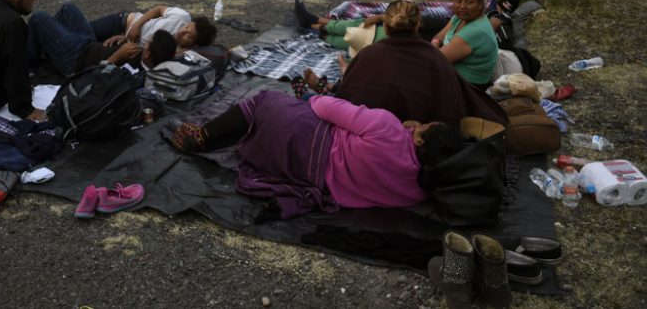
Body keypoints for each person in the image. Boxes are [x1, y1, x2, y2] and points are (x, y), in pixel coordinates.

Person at [169, 90, 465, 219]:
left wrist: (313, 97)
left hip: (306, 142)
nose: (419, 124)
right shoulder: (418, 190)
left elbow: (326, 108)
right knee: (276, 119)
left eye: (424, 127)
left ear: (422, 139)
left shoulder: (387, 126)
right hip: (305, 176)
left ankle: (203, 136)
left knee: (267, 101)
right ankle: (229, 136)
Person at [314, 0, 507, 127]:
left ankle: (319, 91)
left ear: (387, 27)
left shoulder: (368, 55)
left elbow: (349, 100)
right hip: (419, 143)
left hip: (368, 138)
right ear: (417, 26)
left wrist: (346, 75)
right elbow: (456, 102)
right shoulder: (436, 57)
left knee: (320, 103)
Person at [26, 1, 178, 78]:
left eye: (148, 45)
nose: (144, 45)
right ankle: (49, 51)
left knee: (39, 18)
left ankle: (30, 67)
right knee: (68, 8)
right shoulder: (141, 55)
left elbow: (96, 80)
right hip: (90, 44)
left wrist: (117, 57)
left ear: (148, 54)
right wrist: (122, 39)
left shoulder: (135, 75)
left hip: (76, 60)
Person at [431, 0, 499, 88]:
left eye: (469, 2)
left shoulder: (474, 31)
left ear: (481, 4)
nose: (462, 6)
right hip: (452, 75)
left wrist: (433, 46)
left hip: (467, 87)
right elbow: (438, 37)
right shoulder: (459, 18)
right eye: (458, 1)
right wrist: (435, 43)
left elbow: (436, 61)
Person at [95, 5, 217, 51]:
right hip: (123, 22)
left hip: (124, 44)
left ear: (194, 45)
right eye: (186, 27)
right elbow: (158, 9)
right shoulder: (182, 17)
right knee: (83, 34)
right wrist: (137, 25)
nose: (182, 31)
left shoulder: (177, 52)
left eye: (188, 36)